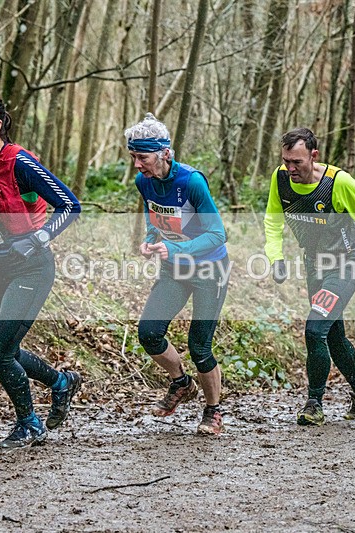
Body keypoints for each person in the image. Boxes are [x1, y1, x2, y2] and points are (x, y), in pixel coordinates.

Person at [0, 91, 81, 449]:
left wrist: (37, 239)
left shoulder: (20, 163)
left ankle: (30, 424)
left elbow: (70, 205)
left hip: (30, 268)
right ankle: (60, 383)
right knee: (0, 348)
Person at [264, 127, 355, 426]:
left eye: (297, 162)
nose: (290, 168)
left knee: (314, 329)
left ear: (314, 155)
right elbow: (272, 220)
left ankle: (314, 403)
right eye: (286, 160)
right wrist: (276, 257)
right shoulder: (280, 179)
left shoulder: (338, 183)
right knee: (332, 334)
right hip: (315, 265)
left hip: (346, 264)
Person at [127, 113, 229, 436]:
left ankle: (213, 411)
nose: (136, 165)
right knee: (149, 332)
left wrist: (177, 251)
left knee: (199, 346)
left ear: (164, 154)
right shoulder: (143, 181)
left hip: (210, 270)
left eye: (142, 157)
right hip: (175, 270)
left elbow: (218, 234)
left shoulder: (192, 182)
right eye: (133, 157)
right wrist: (149, 239)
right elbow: (152, 217)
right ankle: (181, 383)